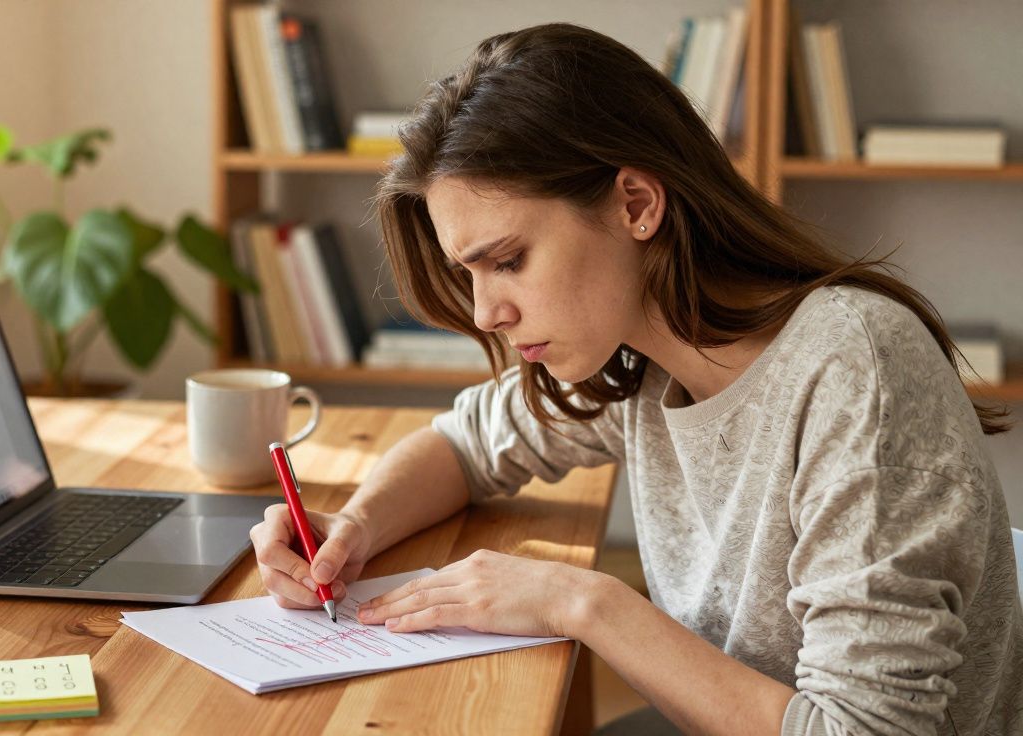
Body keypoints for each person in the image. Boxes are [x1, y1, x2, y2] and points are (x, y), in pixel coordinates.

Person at [249, 23, 1022, 735]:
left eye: (509, 260)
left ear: (637, 203)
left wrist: (580, 601)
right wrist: (352, 531)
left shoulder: (855, 370)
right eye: (470, 273)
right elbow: (463, 446)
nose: (486, 312)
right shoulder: (642, 361)